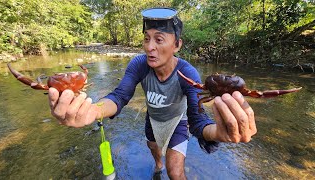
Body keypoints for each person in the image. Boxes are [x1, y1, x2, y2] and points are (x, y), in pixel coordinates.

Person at [48, 7, 257, 180]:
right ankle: (157, 168)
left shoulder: (187, 73)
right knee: (156, 155)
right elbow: (120, 96)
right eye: (146, 39)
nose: (150, 47)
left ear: (177, 45)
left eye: (159, 39)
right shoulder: (139, 64)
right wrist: (93, 111)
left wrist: (219, 133)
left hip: (177, 122)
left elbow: (197, 120)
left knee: (175, 173)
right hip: (153, 120)